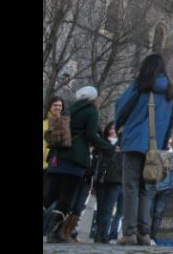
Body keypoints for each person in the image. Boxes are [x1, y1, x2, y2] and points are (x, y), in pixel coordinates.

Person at [114, 53, 173, 246]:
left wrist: (119, 126)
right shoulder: (169, 93)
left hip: (134, 142)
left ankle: (129, 232)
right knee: (147, 189)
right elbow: (171, 122)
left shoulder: (139, 85)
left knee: (130, 187)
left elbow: (121, 107)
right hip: (155, 147)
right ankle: (144, 233)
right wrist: (163, 145)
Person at [43, 86, 114, 243]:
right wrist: (108, 148)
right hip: (75, 158)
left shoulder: (69, 109)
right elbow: (90, 134)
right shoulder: (90, 111)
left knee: (50, 195)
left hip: (57, 156)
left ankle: (54, 231)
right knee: (66, 197)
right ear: (93, 98)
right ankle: (54, 232)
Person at [93, 121, 123, 243]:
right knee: (100, 207)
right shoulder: (102, 142)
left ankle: (104, 233)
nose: (112, 130)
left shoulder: (123, 142)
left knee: (109, 207)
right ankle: (98, 233)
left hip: (116, 179)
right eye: (110, 128)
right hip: (101, 178)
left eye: (114, 128)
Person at [43, 95, 64, 236]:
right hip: (44, 164)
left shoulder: (63, 123)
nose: (57, 108)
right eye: (55, 105)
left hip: (54, 166)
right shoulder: (45, 123)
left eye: (60, 106)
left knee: (50, 198)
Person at [150, 137, 173, 244]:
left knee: (158, 214)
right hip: (153, 186)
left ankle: (153, 236)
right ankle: (146, 234)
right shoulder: (155, 151)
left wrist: (170, 186)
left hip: (165, 188)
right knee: (149, 212)